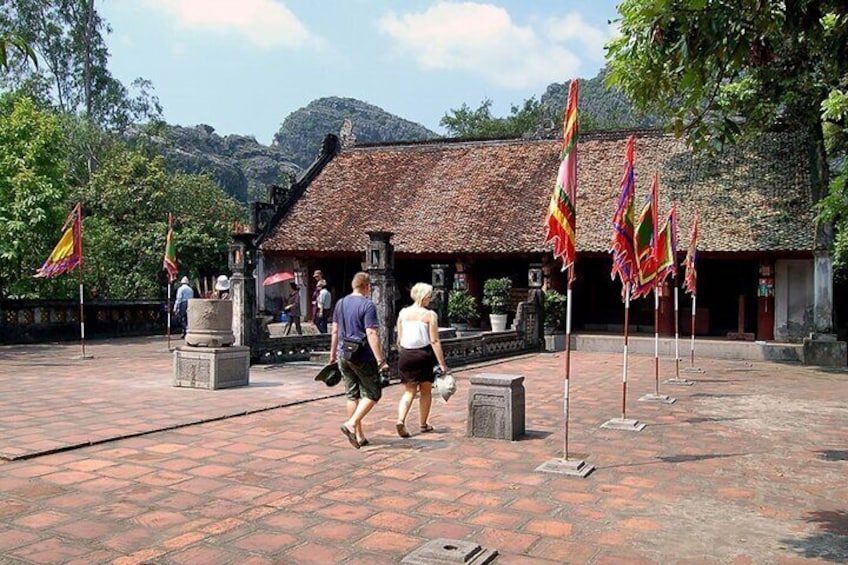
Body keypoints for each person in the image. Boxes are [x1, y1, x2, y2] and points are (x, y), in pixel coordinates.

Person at [331, 271, 389, 449]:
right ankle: (352, 423)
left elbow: (334, 330)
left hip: (343, 353)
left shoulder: (340, 303)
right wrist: (380, 359)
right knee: (373, 393)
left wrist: (332, 354)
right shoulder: (368, 305)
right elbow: (371, 332)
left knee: (352, 394)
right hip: (362, 355)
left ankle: (359, 435)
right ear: (366, 286)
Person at [395, 282, 449, 438]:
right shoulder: (430, 315)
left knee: (409, 391)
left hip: (406, 354)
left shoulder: (403, 313)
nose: (430, 300)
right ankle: (423, 424)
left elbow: (399, 337)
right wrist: (442, 363)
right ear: (424, 297)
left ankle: (400, 419)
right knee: (425, 391)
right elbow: (434, 341)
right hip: (423, 355)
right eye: (429, 297)